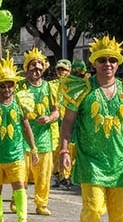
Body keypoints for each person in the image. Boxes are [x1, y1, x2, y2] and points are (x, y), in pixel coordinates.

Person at [59, 36, 123, 222]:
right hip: (91, 162)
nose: (107, 64)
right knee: (93, 210)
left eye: (112, 60)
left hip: (121, 163)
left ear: (118, 64)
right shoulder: (82, 89)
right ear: (94, 62)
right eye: (102, 60)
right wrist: (64, 150)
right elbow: (68, 122)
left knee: (120, 216)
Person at [0, 57, 37, 222]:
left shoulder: (20, 103)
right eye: (2, 86)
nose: (6, 89)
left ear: (14, 86)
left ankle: (22, 219)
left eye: (10, 85)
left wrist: (33, 149)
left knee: (20, 186)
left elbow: (26, 128)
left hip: (15, 155)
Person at [18, 48, 58, 215]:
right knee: (21, 174)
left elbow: (57, 111)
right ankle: (17, 200)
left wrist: (49, 118)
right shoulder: (20, 86)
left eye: (40, 65)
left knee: (43, 176)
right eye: (33, 65)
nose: (37, 68)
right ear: (27, 68)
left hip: (44, 139)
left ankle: (41, 204)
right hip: (22, 139)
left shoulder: (49, 87)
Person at [50, 59, 73, 190]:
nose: (61, 72)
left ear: (69, 70)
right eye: (59, 69)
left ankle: (67, 176)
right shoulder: (52, 85)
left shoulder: (75, 85)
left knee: (69, 148)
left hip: (70, 121)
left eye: (64, 69)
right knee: (56, 148)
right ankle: (59, 175)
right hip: (56, 121)